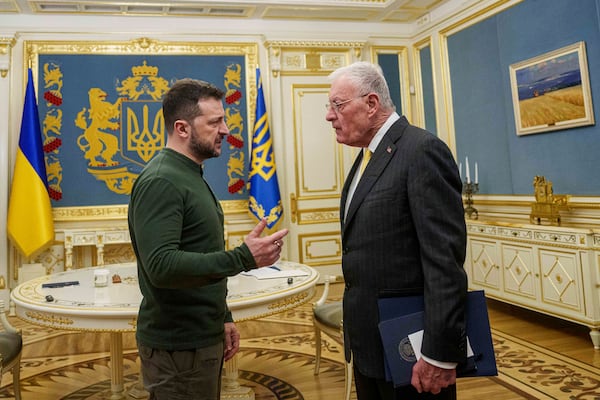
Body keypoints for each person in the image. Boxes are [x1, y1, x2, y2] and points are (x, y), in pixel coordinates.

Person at [128, 78, 289, 400]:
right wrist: (244, 257)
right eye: (215, 122)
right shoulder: (162, 180)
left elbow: (201, 253)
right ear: (183, 128)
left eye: (223, 120)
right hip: (179, 347)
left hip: (200, 335)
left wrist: (222, 317)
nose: (226, 130)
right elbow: (162, 265)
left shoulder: (189, 174)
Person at [325, 61, 468, 399]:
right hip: (371, 346)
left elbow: (443, 263)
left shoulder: (421, 151)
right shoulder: (365, 158)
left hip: (413, 350)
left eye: (337, 105)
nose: (330, 116)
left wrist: (439, 353)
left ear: (371, 103)